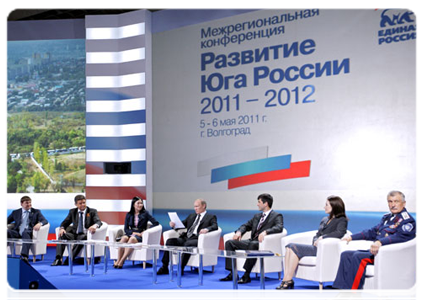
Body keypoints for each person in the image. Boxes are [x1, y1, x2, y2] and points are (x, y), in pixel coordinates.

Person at [326, 191, 417, 300]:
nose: (393, 205)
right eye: (390, 201)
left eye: (396, 201)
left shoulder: (407, 221)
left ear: (404, 203)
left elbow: (401, 237)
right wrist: (352, 237)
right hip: (378, 252)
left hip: (390, 255)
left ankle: (354, 295)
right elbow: (372, 232)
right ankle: (343, 292)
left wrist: (380, 242)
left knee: (358, 256)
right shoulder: (387, 218)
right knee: (346, 255)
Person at [276, 195, 348, 291]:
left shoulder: (342, 220)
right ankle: (287, 279)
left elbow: (340, 233)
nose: (324, 207)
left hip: (324, 250)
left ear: (334, 206)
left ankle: (288, 280)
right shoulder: (325, 219)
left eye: (327, 205)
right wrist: (316, 240)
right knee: (289, 247)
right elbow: (317, 234)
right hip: (316, 246)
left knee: (292, 247)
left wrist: (323, 238)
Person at [220, 193, 284, 284]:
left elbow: (279, 227)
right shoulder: (257, 216)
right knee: (229, 243)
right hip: (251, 241)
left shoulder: (276, 216)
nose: (257, 204)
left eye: (259, 202)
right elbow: (246, 225)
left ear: (266, 203)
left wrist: (266, 232)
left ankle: (246, 275)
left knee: (253, 244)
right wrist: (239, 232)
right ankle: (232, 273)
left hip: (262, 244)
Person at [157, 199, 218, 275]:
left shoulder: (210, 217)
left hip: (197, 239)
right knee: (170, 241)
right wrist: (174, 224)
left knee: (188, 244)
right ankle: (164, 267)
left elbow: (215, 226)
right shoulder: (191, 216)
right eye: (194, 206)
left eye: (197, 206)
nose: (195, 208)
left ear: (203, 206)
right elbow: (181, 225)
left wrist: (206, 229)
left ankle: (181, 268)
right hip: (186, 237)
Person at [51, 194, 102, 266]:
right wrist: (62, 228)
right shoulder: (73, 212)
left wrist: (94, 226)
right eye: (80, 203)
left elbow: (98, 222)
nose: (82, 205)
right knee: (62, 236)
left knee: (82, 237)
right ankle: (58, 259)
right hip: (74, 234)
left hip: (85, 234)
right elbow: (65, 222)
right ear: (76, 204)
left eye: (84, 203)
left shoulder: (92, 211)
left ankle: (69, 259)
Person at [114, 196, 160, 268]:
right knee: (123, 239)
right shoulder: (129, 214)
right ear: (133, 204)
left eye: (141, 203)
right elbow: (126, 229)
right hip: (131, 233)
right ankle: (118, 260)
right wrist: (133, 233)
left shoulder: (145, 213)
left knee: (132, 239)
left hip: (140, 235)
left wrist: (145, 231)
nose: (140, 205)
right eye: (138, 203)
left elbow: (156, 223)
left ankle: (122, 261)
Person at [5, 196, 48, 264]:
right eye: (27, 203)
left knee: (25, 233)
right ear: (21, 204)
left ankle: (24, 256)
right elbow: (6, 221)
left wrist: (40, 224)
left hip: (29, 231)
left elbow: (44, 220)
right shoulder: (15, 212)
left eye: (30, 202)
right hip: (17, 232)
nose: (29, 204)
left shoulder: (36, 212)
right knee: (5, 232)